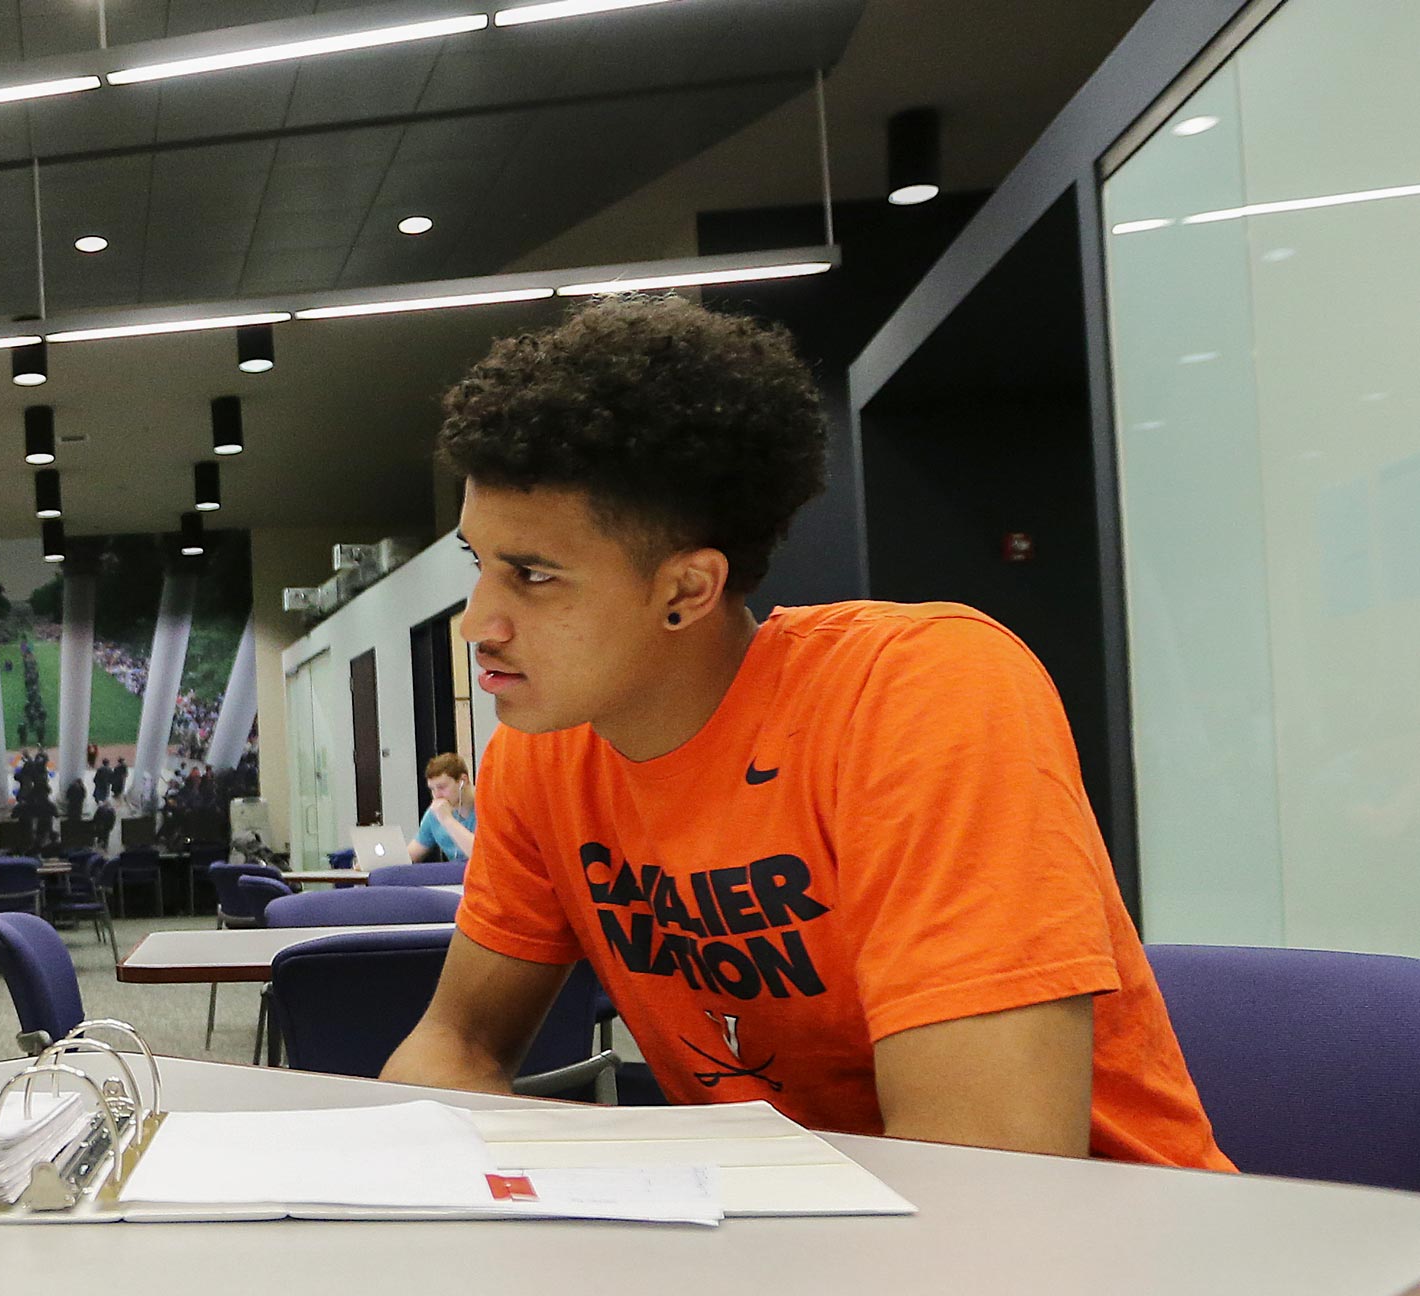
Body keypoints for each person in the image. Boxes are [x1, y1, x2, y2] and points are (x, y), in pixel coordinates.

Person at [383, 297, 1229, 1169]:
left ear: (687, 590)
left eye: (532, 576)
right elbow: (456, 1047)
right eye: (478, 565)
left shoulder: (922, 695)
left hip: (1106, 1265)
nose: (477, 621)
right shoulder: (545, 748)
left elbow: (990, 1169)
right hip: (788, 1253)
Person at [407, 752, 477, 863]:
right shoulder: (434, 814)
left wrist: (447, 819)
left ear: (462, 781)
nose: (437, 795)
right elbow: (410, 856)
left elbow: (481, 855)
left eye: (442, 787)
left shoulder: (488, 805)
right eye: (432, 789)